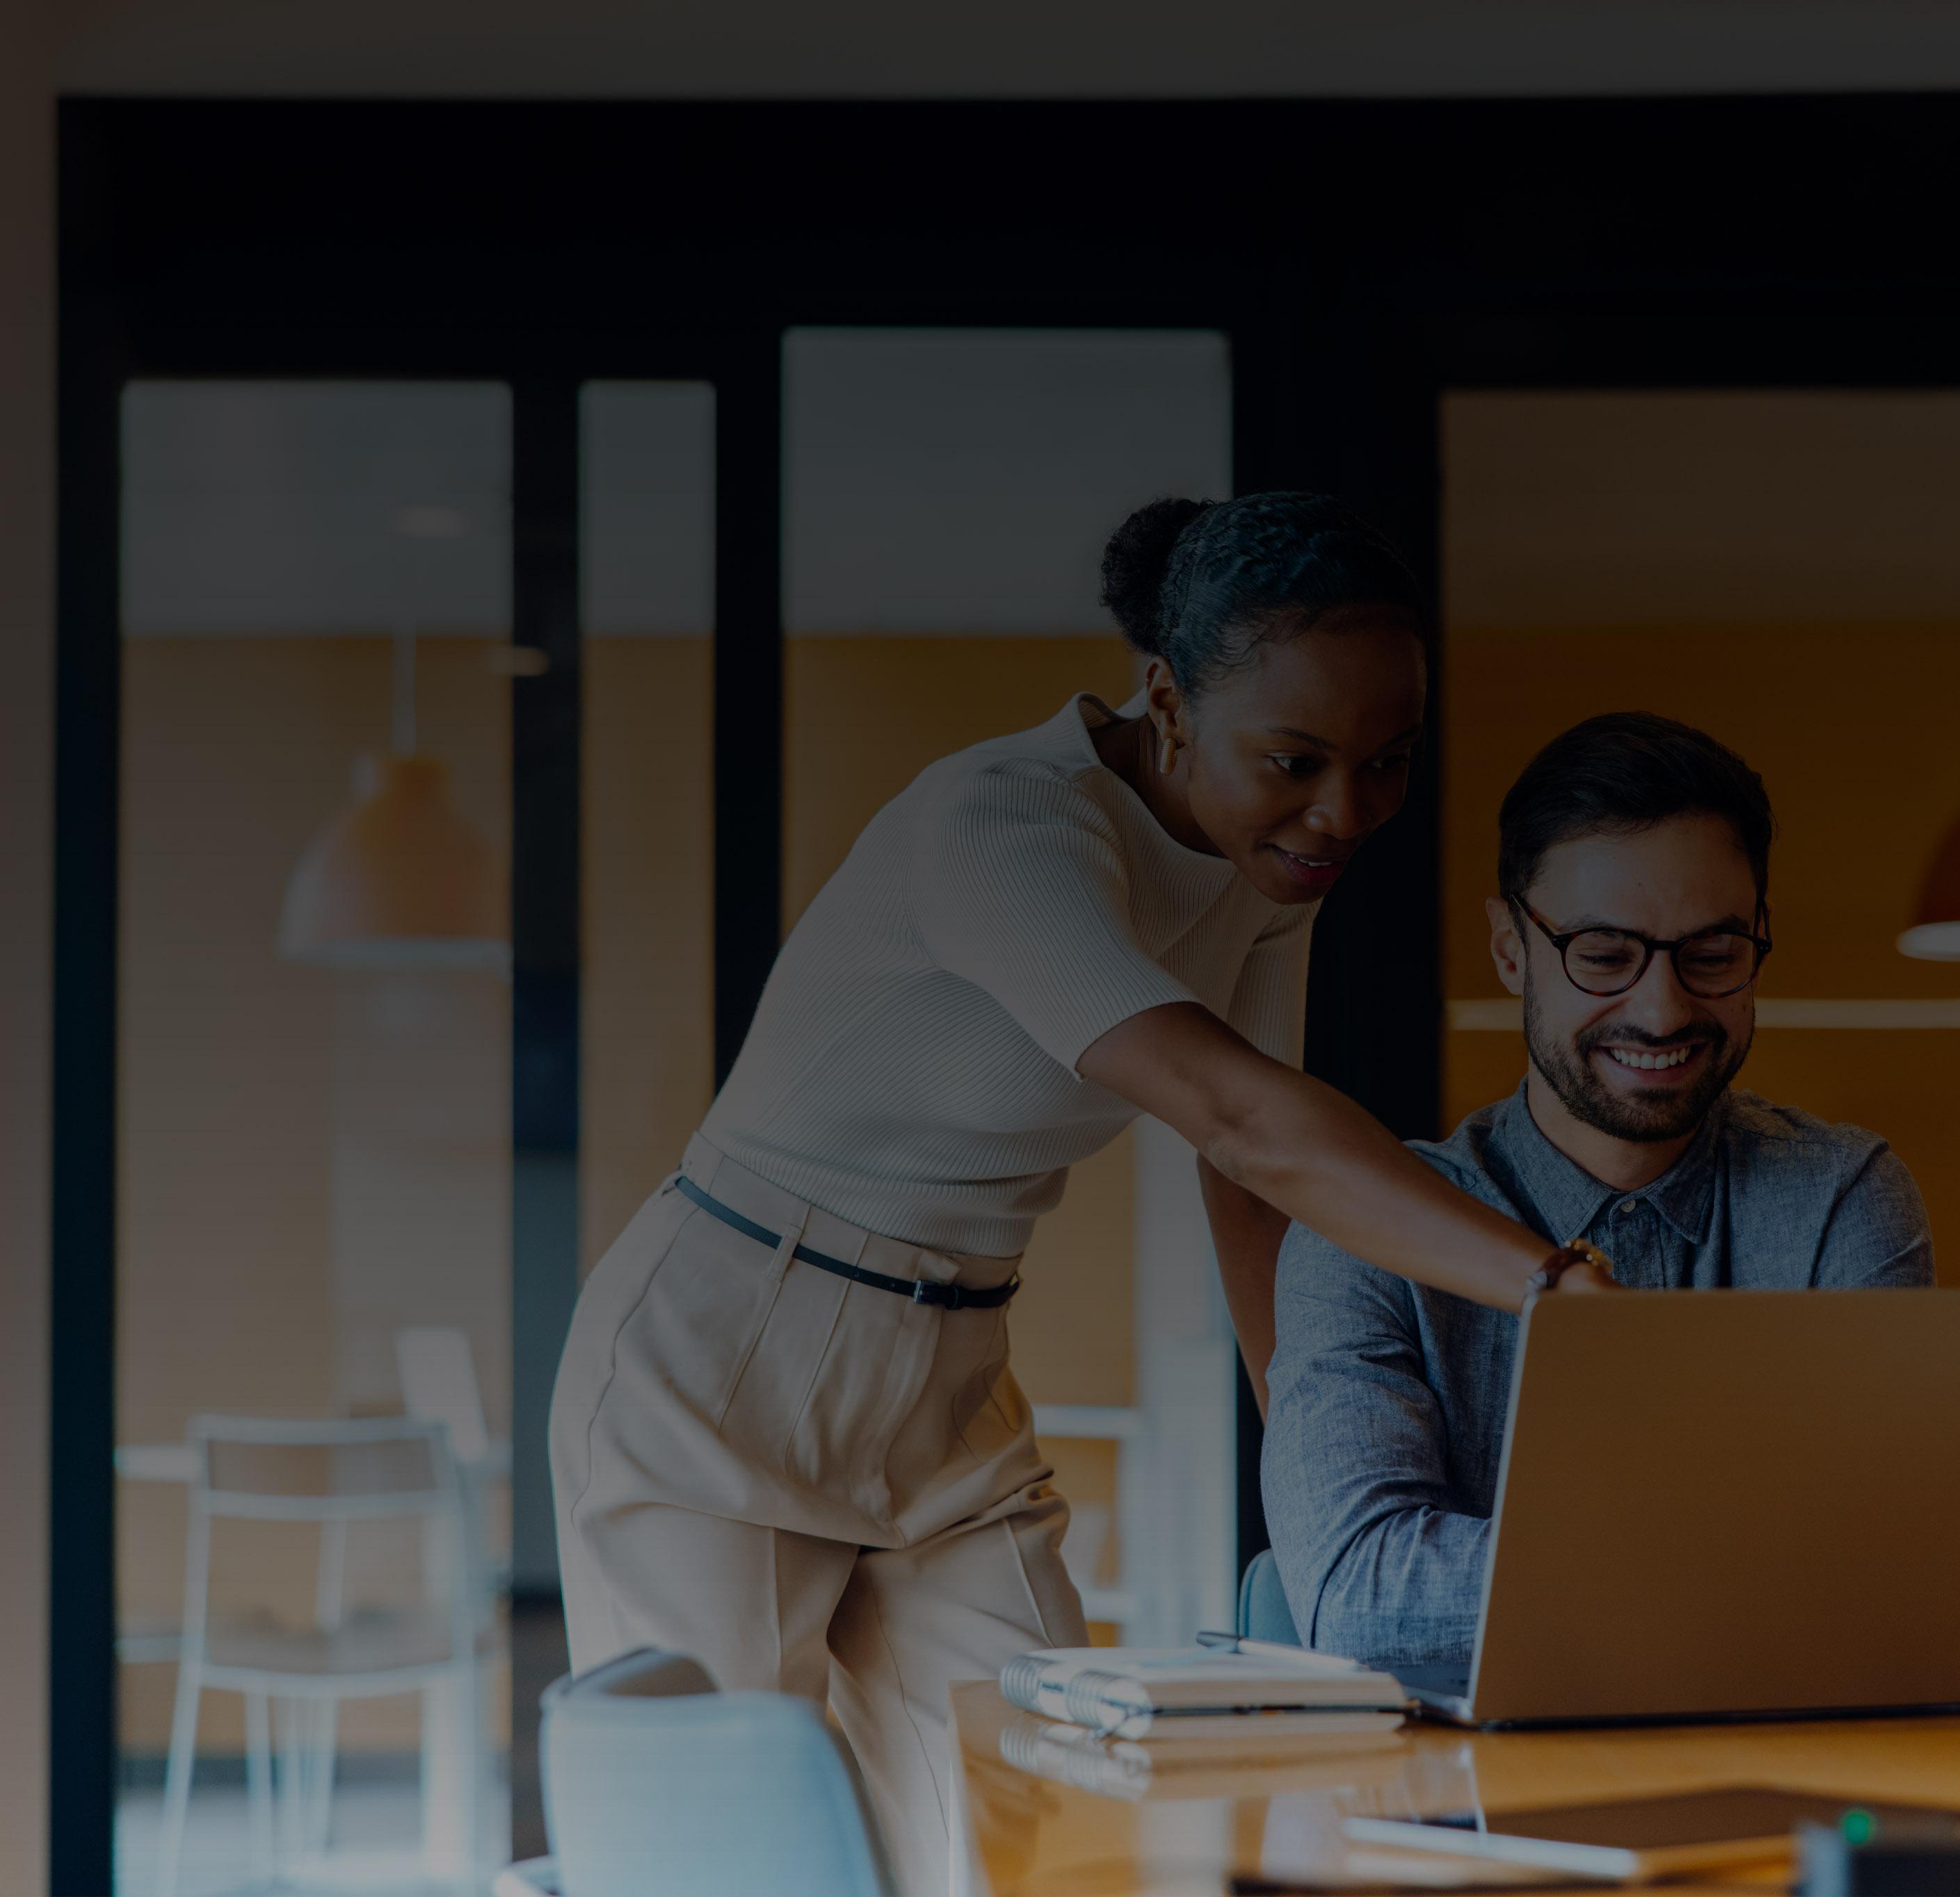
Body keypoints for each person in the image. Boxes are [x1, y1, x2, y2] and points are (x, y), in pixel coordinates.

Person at [550, 491, 1614, 1897]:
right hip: (723, 1348)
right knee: (735, 1859)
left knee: (1052, 1811)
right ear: (1166, 701)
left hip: (948, 1369)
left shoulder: (1264, 874)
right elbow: (1240, 1121)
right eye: (1295, 759)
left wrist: (1311, 1468)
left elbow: (1251, 1193)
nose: (1341, 812)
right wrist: (1554, 1286)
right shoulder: (1000, 831)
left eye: (1387, 763)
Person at [1262, 711, 1936, 1673]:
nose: (1661, 1009)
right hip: (1458, 1813)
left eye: (1710, 954)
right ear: (1510, 950)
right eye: (1604, 955)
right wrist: (1767, 1566)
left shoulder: (1840, 1196)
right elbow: (1364, 1601)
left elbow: (1889, 1576)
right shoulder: (1358, 1228)